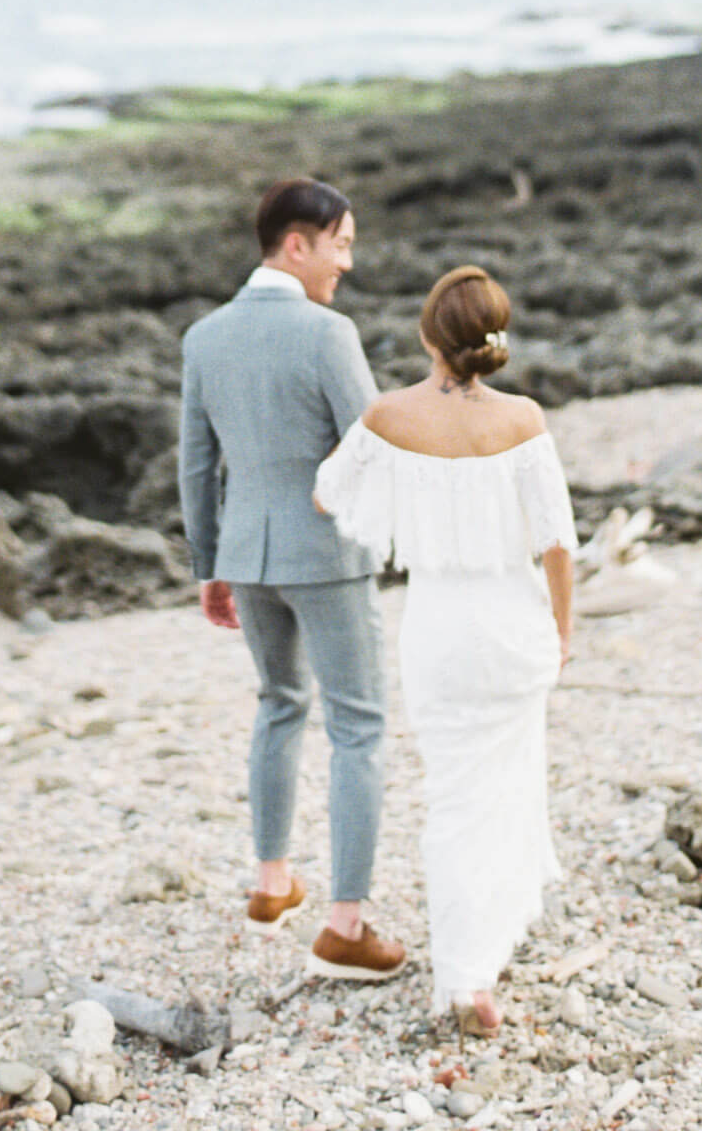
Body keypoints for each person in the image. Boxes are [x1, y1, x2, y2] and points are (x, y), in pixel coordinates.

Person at [314, 264, 575, 1036]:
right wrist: (564, 630)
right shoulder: (524, 420)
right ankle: (485, 948)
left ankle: (466, 976)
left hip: (438, 634)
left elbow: (329, 492)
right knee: (509, 783)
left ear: (430, 335)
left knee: (456, 798)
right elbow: (557, 542)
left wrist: (408, 497)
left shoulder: (388, 418)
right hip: (514, 627)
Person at [178, 177, 406, 981]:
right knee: (357, 729)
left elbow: (196, 464)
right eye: (340, 242)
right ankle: (346, 924)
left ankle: (272, 881)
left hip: (245, 555)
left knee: (279, 704)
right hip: (326, 556)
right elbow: (371, 444)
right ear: (296, 243)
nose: (347, 261)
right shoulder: (326, 334)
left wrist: (211, 565)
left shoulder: (203, 336)